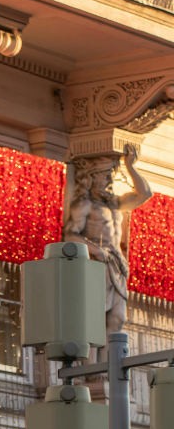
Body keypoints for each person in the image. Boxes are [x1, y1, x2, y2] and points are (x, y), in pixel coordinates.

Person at [63, 143, 152, 335]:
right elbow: (70, 235)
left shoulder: (116, 203)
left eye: (112, 175)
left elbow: (145, 194)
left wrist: (130, 167)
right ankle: (94, 364)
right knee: (94, 318)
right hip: (96, 263)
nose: (110, 180)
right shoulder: (84, 204)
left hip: (115, 265)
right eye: (105, 176)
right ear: (92, 178)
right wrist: (95, 250)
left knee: (118, 319)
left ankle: (108, 364)